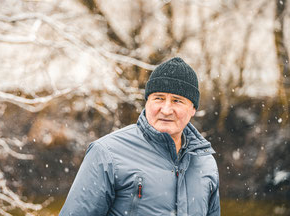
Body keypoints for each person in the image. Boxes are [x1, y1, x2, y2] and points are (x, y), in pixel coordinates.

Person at [59, 57, 220, 216]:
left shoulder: (205, 162)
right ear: (147, 102)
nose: (166, 109)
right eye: (159, 98)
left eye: (177, 101)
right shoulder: (107, 153)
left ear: (193, 109)